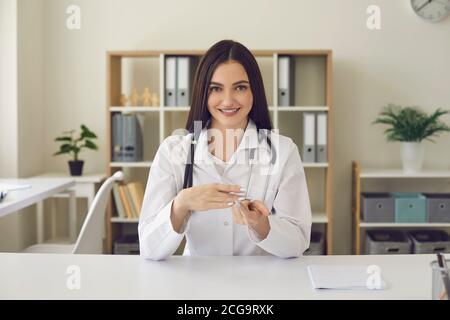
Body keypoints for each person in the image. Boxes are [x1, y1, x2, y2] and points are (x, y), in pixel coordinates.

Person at [138, 40, 312, 260]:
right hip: (197, 285)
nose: (228, 100)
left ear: (254, 91)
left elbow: (297, 243)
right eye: (216, 89)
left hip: (260, 286)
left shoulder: (283, 151)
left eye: (240, 87)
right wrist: (181, 204)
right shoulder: (174, 152)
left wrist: (263, 226)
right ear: (203, 92)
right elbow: (149, 249)